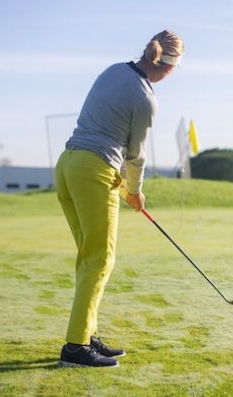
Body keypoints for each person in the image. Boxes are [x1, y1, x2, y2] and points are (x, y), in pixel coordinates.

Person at [55, 30, 184, 368]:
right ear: (170, 67)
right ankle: (75, 347)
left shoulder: (113, 69)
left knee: (89, 257)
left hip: (67, 165)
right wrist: (135, 192)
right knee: (100, 259)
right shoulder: (146, 99)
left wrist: (126, 188)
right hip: (94, 171)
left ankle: (86, 334)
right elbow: (136, 156)